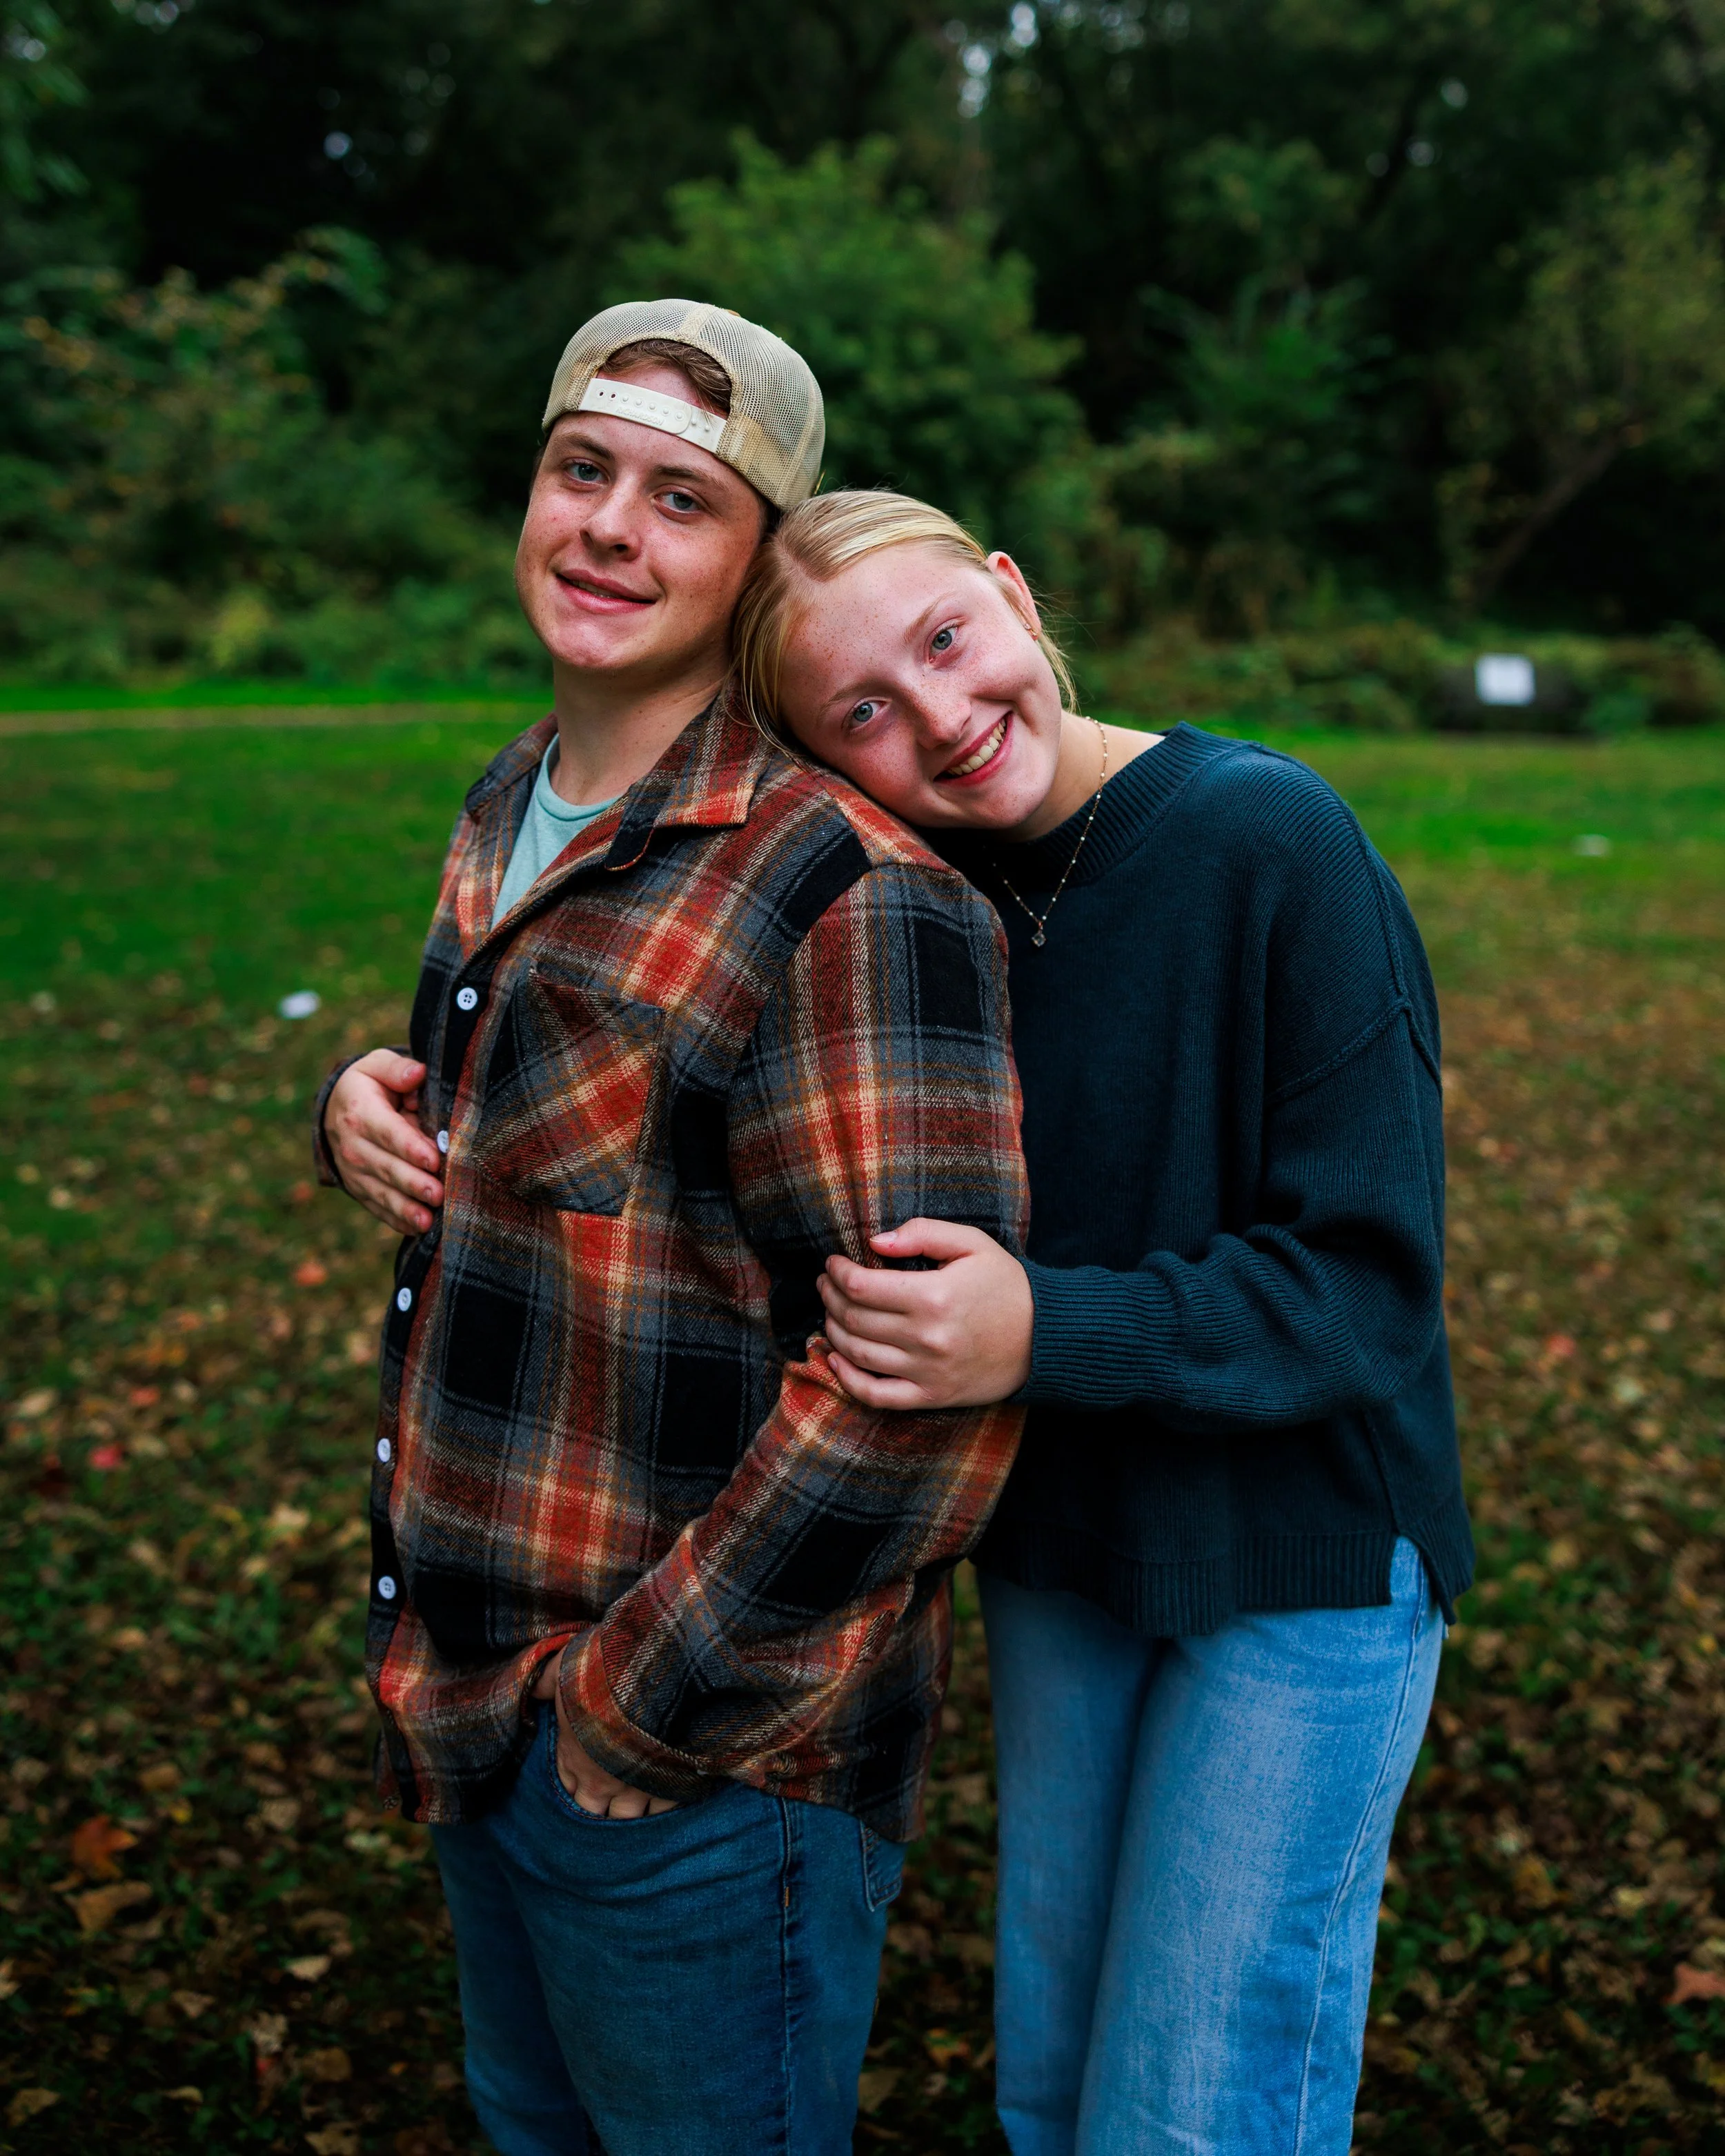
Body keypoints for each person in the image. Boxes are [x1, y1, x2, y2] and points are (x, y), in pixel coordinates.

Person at [316, 316, 1028, 2156]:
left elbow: (914, 1398)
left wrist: (634, 1714)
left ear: (751, 563)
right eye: (584, 470)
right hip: (471, 1692)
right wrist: (358, 1109)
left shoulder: (845, 892)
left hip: (698, 1759)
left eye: (683, 500)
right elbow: (550, 1135)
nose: (612, 528)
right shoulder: (512, 798)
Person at [730, 488, 1475, 2156]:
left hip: (1298, 1552)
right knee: (1054, 2084)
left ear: (1012, 590)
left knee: (1189, 2108)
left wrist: (1034, 1333)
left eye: (947, 638)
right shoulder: (907, 897)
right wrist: (382, 1083)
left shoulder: (1266, 837)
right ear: (820, 762)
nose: (942, 715)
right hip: (1065, 1544)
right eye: (865, 710)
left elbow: (1367, 1288)